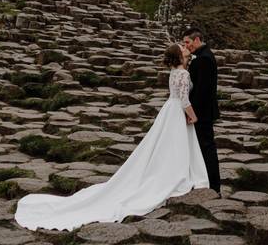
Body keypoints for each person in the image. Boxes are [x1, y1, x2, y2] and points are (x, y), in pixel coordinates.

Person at [14, 44, 209, 232]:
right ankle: (176, 174)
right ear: (179, 56)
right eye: (182, 48)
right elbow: (184, 99)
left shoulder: (174, 72)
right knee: (174, 145)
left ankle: (169, 171)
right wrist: (193, 115)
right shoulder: (183, 74)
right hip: (176, 112)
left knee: (165, 145)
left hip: (168, 111)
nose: (185, 49)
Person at [182, 31, 221, 194]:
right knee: (200, 147)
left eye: (187, 42)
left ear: (197, 39)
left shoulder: (204, 59)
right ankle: (202, 181)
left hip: (202, 113)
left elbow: (202, 91)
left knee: (206, 147)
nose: (186, 46)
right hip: (201, 111)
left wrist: (192, 113)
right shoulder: (202, 55)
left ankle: (213, 185)